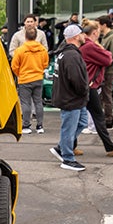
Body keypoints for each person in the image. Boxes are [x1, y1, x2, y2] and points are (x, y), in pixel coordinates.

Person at [77, 24, 113, 158]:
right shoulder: (90, 46)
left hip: (86, 85)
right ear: (95, 32)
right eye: (99, 32)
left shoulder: (84, 46)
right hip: (90, 86)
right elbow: (108, 59)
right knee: (97, 117)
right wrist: (103, 50)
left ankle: (68, 145)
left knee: (79, 118)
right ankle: (110, 147)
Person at [49, 24, 91, 172]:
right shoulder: (71, 55)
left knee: (82, 122)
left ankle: (62, 147)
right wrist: (84, 91)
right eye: (82, 33)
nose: (84, 36)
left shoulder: (65, 53)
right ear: (75, 36)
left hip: (70, 97)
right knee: (69, 127)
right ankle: (67, 158)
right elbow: (76, 79)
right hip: (72, 98)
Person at [10, 26, 48, 134]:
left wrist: (20, 74)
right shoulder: (42, 49)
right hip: (38, 78)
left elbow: (14, 66)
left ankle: (26, 125)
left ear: (25, 36)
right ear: (36, 36)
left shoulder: (20, 50)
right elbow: (45, 64)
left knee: (25, 103)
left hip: (24, 79)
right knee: (38, 102)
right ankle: (40, 126)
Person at [96, 16, 113, 129]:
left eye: (98, 25)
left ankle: (108, 119)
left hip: (109, 70)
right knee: (103, 95)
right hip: (104, 70)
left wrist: (102, 62)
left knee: (106, 95)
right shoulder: (105, 37)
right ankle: (108, 118)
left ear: (104, 25)